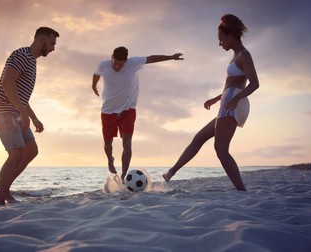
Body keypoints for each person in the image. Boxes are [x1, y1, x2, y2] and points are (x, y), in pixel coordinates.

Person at [163, 14, 259, 191]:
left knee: (221, 150)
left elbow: (255, 83)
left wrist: (236, 99)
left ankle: (241, 190)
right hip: (228, 100)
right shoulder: (236, 55)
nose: (220, 43)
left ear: (230, 35)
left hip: (234, 102)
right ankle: (170, 174)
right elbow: (233, 83)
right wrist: (217, 99)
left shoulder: (244, 55)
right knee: (199, 137)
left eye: (221, 39)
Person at [0, 27, 60, 205]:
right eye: (52, 43)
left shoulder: (32, 62)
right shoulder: (21, 55)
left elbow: (21, 95)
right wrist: (21, 112)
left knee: (31, 151)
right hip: (2, 109)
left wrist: (34, 118)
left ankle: (2, 190)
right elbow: (7, 82)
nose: (53, 48)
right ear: (42, 41)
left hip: (14, 110)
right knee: (16, 153)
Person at [92, 47, 184, 182]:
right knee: (107, 142)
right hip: (108, 110)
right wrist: (93, 85)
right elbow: (96, 74)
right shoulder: (103, 65)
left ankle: (123, 176)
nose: (117, 66)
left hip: (128, 110)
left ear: (126, 61)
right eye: (115, 62)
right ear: (112, 57)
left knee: (127, 143)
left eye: (121, 64)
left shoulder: (133, 63)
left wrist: (171, 57)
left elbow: (152, 58)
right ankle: (110, 161)